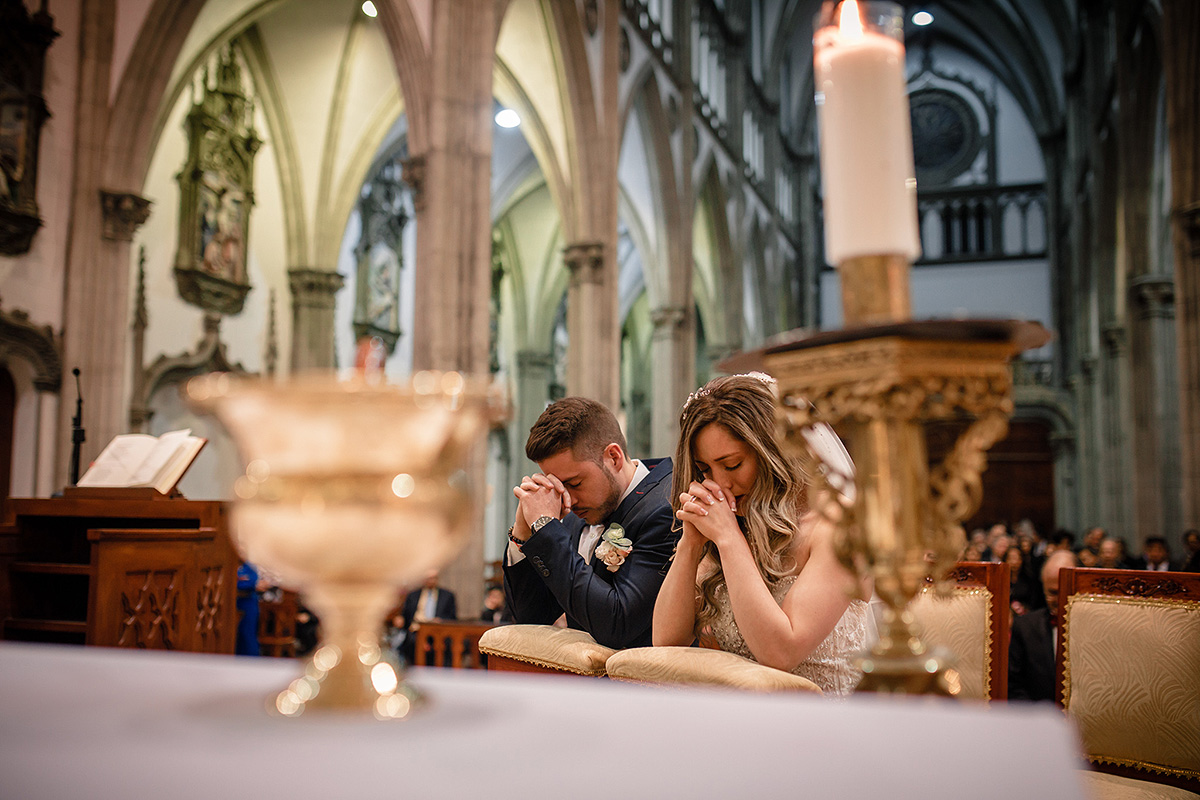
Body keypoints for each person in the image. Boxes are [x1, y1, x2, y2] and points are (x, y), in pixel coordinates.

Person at [652, 374, 872, 697]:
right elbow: (666, 641)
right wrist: (690, 544)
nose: (719, 484)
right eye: (706, 470)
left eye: (732, 464)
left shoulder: (838, 527)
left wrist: (729, 540)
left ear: (774, 452)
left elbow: (782, 652)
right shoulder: (740, 524)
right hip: (741, 722)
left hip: (823, 727)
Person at [503, 397, 676, 650]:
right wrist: (523, 533)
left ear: (613, 457)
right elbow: (532, 617)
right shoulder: (578, 512)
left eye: (574, 483)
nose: (568, 499)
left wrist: (547, 528)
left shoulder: (665, 508)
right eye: (558, 485)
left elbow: (617, 625)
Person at [1008, 549, 1078, 702]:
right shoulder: (1025, 627)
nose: (1060, 600)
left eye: (1066, 592)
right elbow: (1013, 686)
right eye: (1053, 593)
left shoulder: (1097, 630)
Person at [396, 571, 457, 665]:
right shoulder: (413, 595)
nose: (431, 581)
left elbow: (452, 617)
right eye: (429, 578)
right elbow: (406, 615)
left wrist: (441, 620)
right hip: (416, 630)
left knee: (442, 646)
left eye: (434, 578)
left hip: (438, 631)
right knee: (412, 643)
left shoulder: (447, 596)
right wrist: (400, 620)